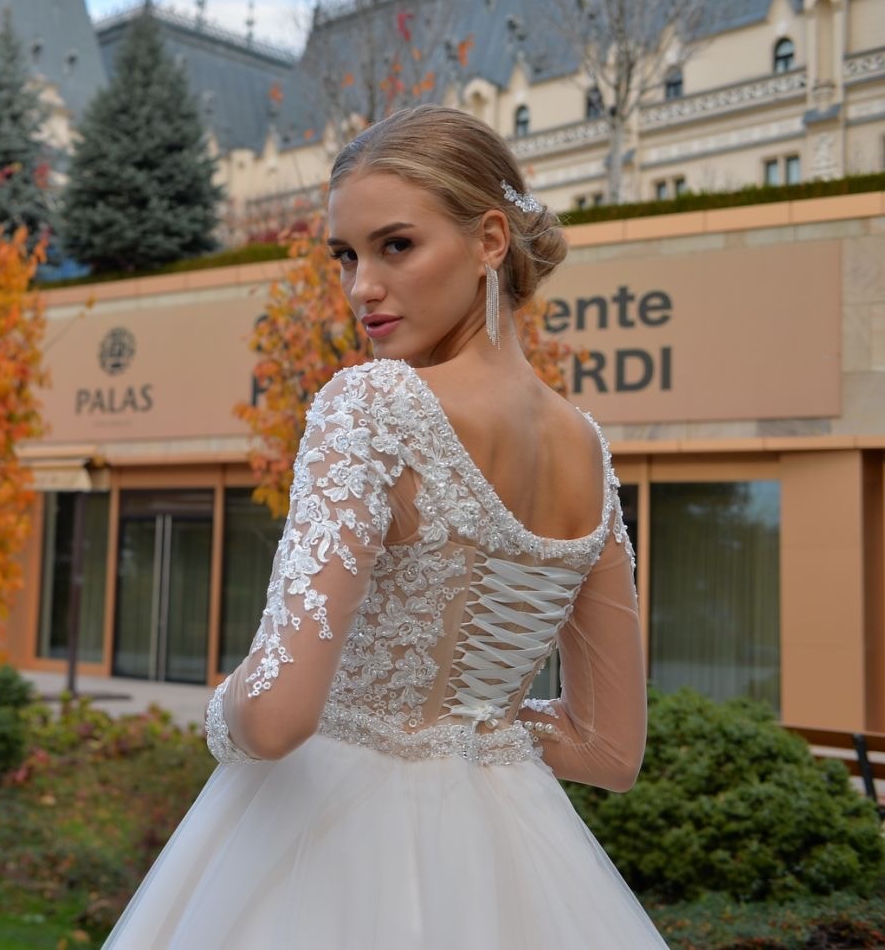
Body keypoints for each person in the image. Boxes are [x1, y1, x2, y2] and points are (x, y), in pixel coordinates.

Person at [104, 104, 662, 948]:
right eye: (346, 255)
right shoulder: (584, 445)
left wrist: (227, 705)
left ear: (490, 239)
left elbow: (278, 717)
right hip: (511, 858)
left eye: (396, 245)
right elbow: (608, 749)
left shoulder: (371, 404)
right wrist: (473, 730)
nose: (362, 286)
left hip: (328, 846)